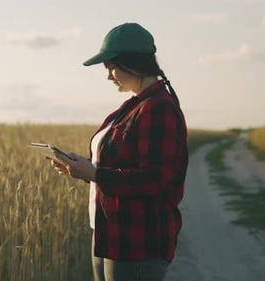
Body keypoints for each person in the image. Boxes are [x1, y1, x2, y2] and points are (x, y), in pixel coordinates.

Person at [49, 22, 188, 281]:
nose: (108, 76)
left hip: (137, 240)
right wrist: (80, 168)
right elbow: (116, 164)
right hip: (108, 233)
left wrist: (95, 174)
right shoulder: (133, 107)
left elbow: (154, 179)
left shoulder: (158, 109)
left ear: (132, 63)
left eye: (112, 68)